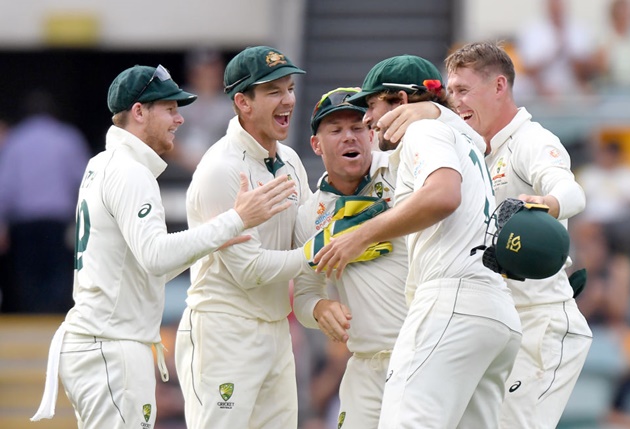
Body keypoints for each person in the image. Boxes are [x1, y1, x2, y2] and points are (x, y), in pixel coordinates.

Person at [29, 64, 296, 428]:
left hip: (100, 344)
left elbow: (141, 266)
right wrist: (235, 219)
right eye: (169, 108)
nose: (179, 119)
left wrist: (215, 237)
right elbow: (155, 258)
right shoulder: (130, 171)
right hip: (111, 346)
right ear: (139, 112)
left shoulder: (103, 164)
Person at [379, 41, 594, 429]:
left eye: (463, 91)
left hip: (541, 324)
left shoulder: (532, 140)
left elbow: (572, 192)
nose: (455, 102)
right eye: (451, 92)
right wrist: (431, 109)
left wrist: (546, 203)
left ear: (499, 87)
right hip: (496, 319)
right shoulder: (468, 143)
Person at [313, 55, 522, 429]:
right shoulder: (464, 138)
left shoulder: (423, 132)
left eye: (371, 105)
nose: (366, 120)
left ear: (399, 102)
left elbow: (443, 196)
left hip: (451, 303)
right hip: (495, 312)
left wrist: (359, 236)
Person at [173, 46, 313, 429]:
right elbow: (249, 270)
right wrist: (321, 249)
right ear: (242, 102)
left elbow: (307, 233)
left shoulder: (290, 160)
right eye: (273, 92)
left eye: (289, 88)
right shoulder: (220, 169)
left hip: (275, 330)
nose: (288, 100)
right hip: (225, 331)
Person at [292, 87, 409, 428]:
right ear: (317, 145)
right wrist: (319, 308)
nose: (349, 138)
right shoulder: (309, 214)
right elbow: (304, 294)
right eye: (336, 130)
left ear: (372, 133)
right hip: (364, 362)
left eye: (358, 127)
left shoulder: (404, 174)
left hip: (419, 353)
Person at [0, 90, 90, 313]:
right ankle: (55, 316)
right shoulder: (68, 138)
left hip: (24, 221)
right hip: (58, 220)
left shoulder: (15, 140)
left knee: (28, 273)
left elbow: (5, 185)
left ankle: (32, 317)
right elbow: (84, 181)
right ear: (53, 113)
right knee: (58, 271)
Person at [168, 48, 235, 175]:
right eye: (202, 71)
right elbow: (162, 136)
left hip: (217, 170)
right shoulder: (177, 100)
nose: (207, 76)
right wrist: (186, 158)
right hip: (178, 172)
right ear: (192, 73)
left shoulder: (230, 105)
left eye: (212, 71)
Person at [515, 0, 596, 98]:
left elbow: (586, 71)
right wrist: (553, 52)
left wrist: (567, 47)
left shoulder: (579, 29)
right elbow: (528, 69)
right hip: (539, 93)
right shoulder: (532, 30)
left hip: (573, 91)